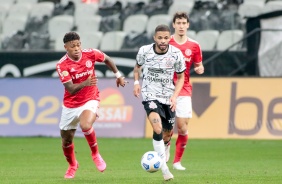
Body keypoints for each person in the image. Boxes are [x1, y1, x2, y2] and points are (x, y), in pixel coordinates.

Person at [56, 31, 127, 179]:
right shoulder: (62, 65)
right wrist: (85, 83)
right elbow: (70, 88)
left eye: (78, 45)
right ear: (66, 48)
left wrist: (118, 75)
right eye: (72, 46)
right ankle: (72, 165)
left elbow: (107, 59)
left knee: (86, 125)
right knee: (66, 140)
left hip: (90, 98)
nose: (76, 48)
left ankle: (95, 154)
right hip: (70, 104)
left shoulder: (91, 54)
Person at [133, 24, 186, 181]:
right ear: (154, 38)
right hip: (150, 94)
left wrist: (175, 96)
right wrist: (136, 83)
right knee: (157, 128)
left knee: (167, 133)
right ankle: (165, 169)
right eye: (160, 38)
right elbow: (137, 68)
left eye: (166, 38)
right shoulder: (145, 51)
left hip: (168, 96)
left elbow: (181, 77)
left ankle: (167, 144)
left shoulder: (176, 54)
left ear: (170, 38)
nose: (163, 41)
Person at [165, 12, 204, 170]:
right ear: (173, 25)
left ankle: (177, 162)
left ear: (188, 25)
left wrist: (200, 68)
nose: (181, 26)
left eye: (183, 23)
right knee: (167, 128)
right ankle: (166, 144)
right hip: (166, 88)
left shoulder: (194, 45)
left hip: (184, 88)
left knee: (182, 126)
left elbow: (198, 65)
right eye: (178, 23)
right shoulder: (167, 43)